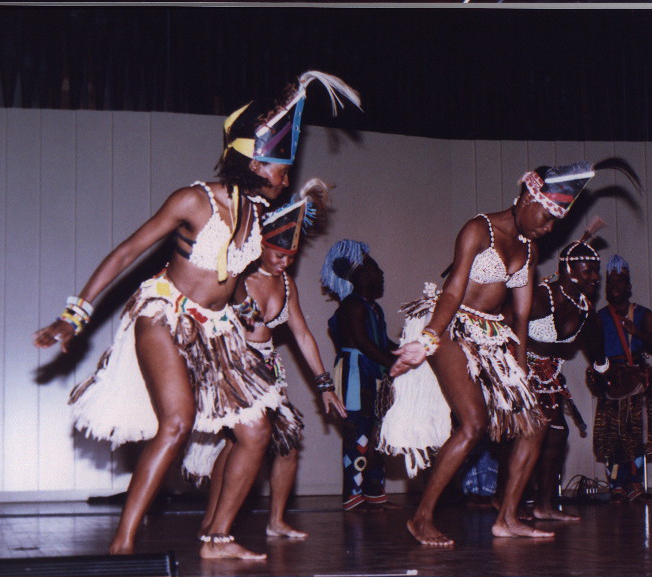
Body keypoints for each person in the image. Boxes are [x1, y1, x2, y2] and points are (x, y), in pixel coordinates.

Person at [32, 71, 359, 559]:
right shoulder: (194, 200)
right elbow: (126, 253)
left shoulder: (257, 217)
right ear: (254, 162)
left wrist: (245, 309)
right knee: (177, 423)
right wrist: (74, 316)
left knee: (256, 431)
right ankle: (121, 547)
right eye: (281, 168)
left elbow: (233, 280)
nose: (286, 179)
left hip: (216, 330)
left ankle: (216, 539)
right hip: (164, 314)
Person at [380, 160, 641, 546]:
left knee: (534, 423)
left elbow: (520, 317)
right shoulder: (478, 229)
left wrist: (520, 375)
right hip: (450, 325)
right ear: (528, 197)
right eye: (547, 217)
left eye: (556, 222)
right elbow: (452, 292)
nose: (549, 228)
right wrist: (429, 339)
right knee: (473, 424)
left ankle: (507, 518)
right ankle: (421, 517)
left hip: (491, 335)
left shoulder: (529, 249)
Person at [191, 179, 347, 541]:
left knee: (288, 442)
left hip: (268, 368)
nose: (284, 263)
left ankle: (276, 521)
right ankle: (212, 523)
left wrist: (325, 385)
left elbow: (302, 335)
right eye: (278, 255)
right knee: (237, 442)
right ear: (261, 245)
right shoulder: (237, 277)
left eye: (290, 257)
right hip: (233, 365)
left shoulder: (287, 284)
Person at [524, 234, 607, 521]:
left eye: (596, 271)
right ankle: (506, 502)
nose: (595, 277)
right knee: (524, 436)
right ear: (569, 270)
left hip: (548, 374)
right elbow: (509, 325)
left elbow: (595, 343)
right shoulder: (542, 296)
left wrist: (603, 370)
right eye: (588, 271)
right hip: (518, 368)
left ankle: (544, 505)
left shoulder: (584, 308)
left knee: (557, 434)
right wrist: (516, 372)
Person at [321, 239, 398, 511]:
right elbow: (364, 343)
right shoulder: (352, 305)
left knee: (375, 433)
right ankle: (353, 495)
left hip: (371, 372)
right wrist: (393, 363)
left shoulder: (372, 307)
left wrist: (405, 351)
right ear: (358, 274)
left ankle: (373, 492)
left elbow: (381, 342)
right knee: (358, 431)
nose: (380, 273)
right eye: (374, 268)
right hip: (356, 374)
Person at [590, 255, 652, 504]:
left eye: (620, 281)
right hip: (613, 382)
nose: (614, 286)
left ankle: (635, 483)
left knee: (637, 434)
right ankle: (616, 485)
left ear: (628, 285)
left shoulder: (644, 314)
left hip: (637, 381)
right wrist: (604, 375)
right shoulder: (599, 317)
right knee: (612, 435)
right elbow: (594, 352)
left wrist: (638, 333)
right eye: (610, 282)